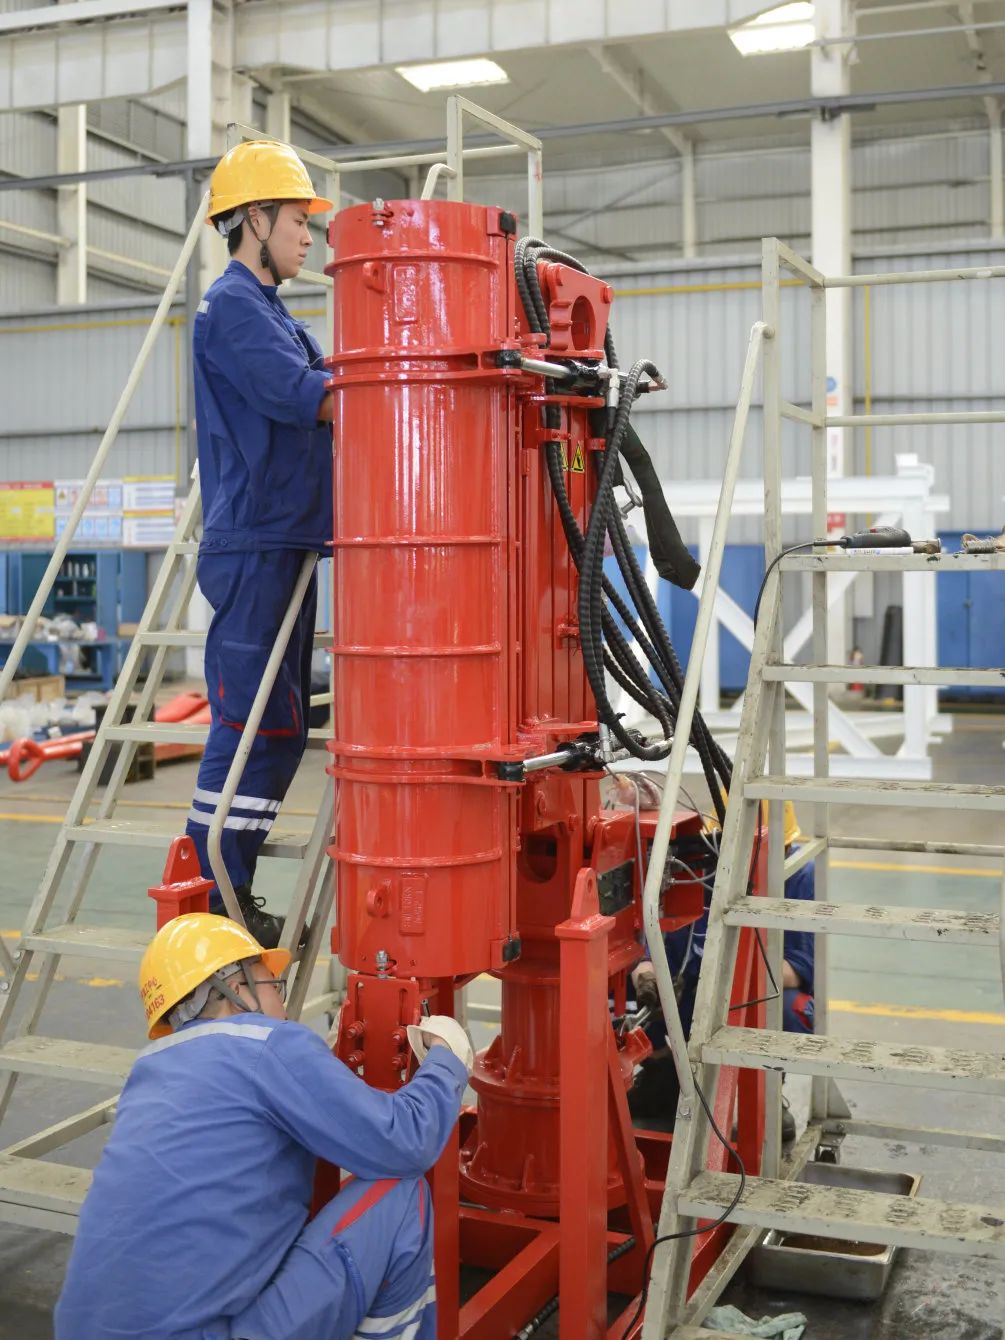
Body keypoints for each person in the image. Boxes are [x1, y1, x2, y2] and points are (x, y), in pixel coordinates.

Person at [55, 913, 472, 1340]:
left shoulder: (147, 1071)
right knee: (400, 1196)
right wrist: (447, 1060)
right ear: (237, 990)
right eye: (274, 984)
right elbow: (405, 1142)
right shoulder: (267, 1044)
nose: (282, 1003)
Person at [183, 140, 336, 947]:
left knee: (280, 730)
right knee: (248, 725)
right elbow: (303, 395)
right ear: (253, 219)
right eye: (297, 220)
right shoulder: (233, 308)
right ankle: (208, 894)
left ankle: (230, 888)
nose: (308, 236)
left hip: (288, 538)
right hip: (255, 543)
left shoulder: (273, 312)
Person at [629, 800, 814, 1138]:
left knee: (787, 1008)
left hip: (750, 994)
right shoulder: (699, 868)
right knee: (622, 993)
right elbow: (656, 939)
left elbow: (799, 969)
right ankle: (665, 1071)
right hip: (693, 988)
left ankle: (765, 1093)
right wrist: (645, 972)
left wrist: (726, 976)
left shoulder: (800, 875)